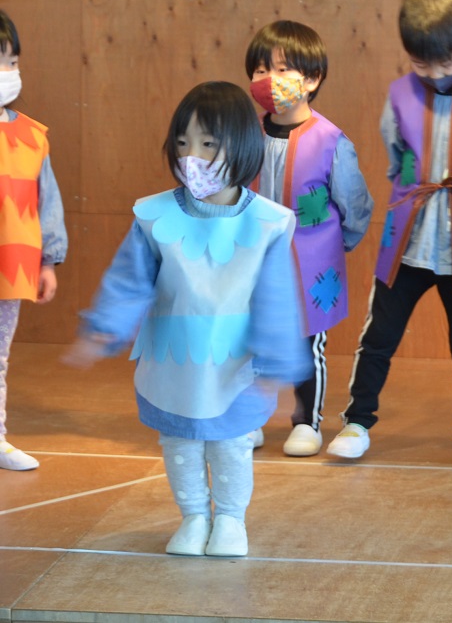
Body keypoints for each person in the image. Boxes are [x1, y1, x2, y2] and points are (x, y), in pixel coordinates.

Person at [64, 82, 311, 557]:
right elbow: (129, 280)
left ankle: (231, 520)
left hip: (235, 365)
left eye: (208, 143)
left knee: (230, 444)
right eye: (183, 142)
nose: (191, 156)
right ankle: (194, 516)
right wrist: (103, 328)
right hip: (173, 361)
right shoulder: (153, 215)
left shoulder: (268, 222)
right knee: (179, 442)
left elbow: (277, 298)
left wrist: (278, 366)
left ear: (242, 146)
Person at [326, 0, 452, 470]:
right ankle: (357, 421)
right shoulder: (399, 94)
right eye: (421, 64)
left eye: (445, 62)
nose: (433, 74)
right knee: (378, 335)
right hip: (408, 240)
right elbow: (394, 157)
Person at [245, 20, 372, 457]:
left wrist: (333, 245)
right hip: (253, 259)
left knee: (306, 342)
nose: (270, 79)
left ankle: (306, 422)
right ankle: (251, 418)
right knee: (248, 339)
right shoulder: (247, 134)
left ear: (312, 79)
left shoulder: (330, 140)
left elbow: (355, 204)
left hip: (310, 261)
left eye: (282, 69)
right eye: (261, 70)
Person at [0, 10, 67, 471]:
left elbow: (48, 202)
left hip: (12, 264)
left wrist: (48, 261)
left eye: (12, 62)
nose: (8, 72)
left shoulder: (32, 136)